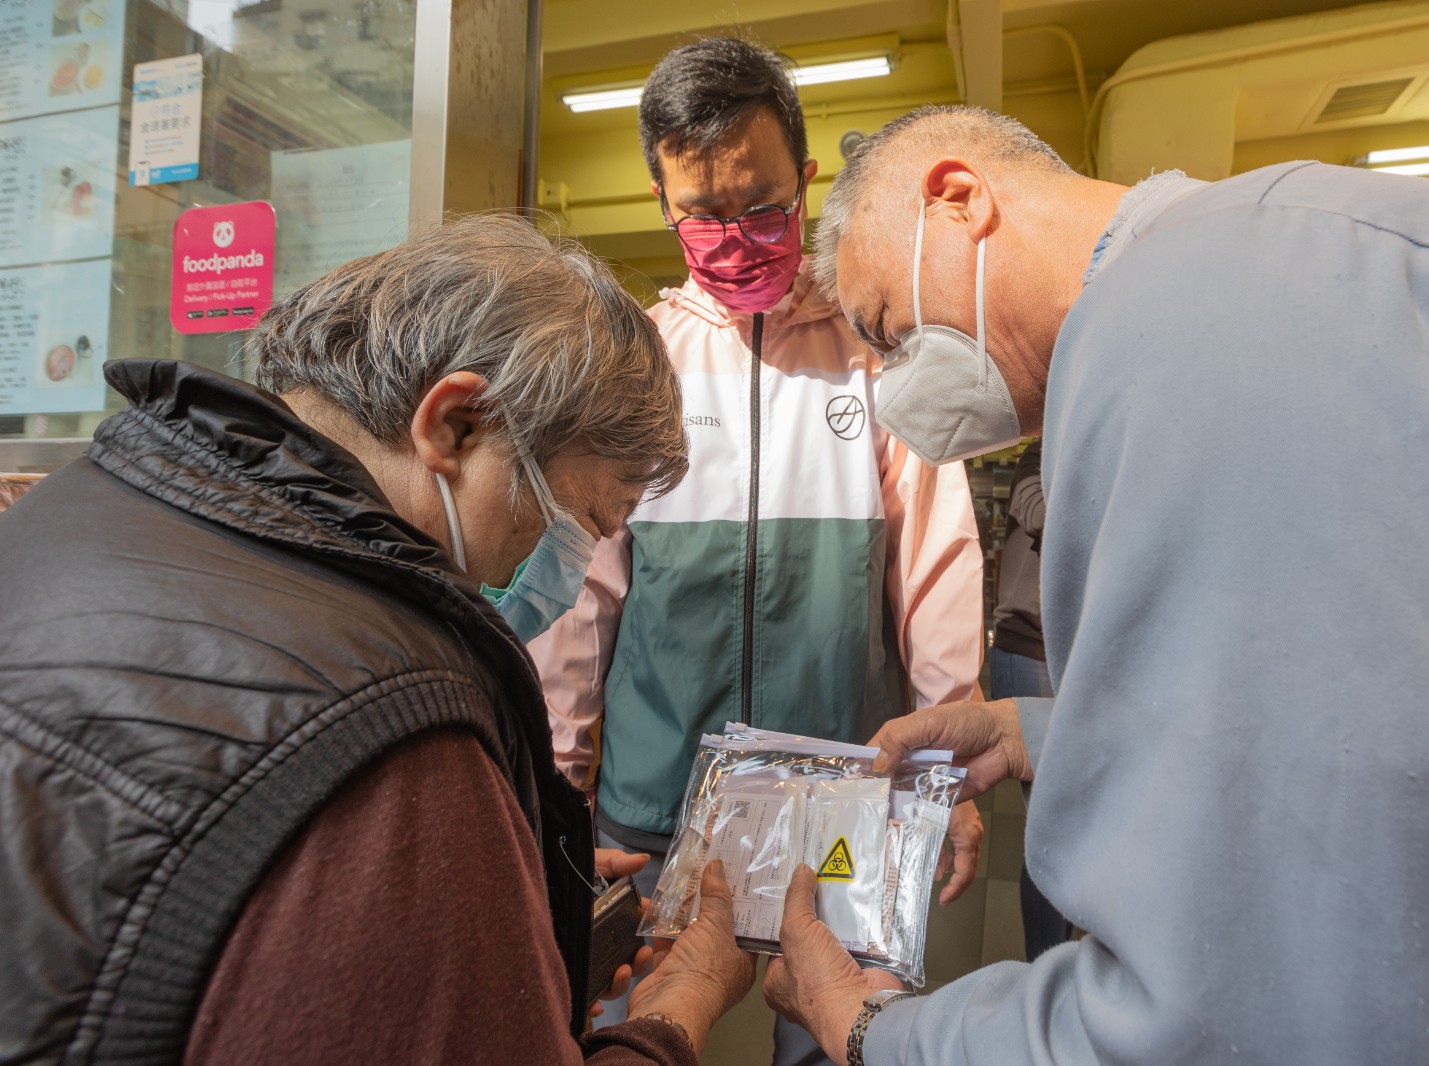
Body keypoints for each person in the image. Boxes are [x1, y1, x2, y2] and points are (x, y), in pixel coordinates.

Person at [761, 104, 1429, 1064]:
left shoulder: (1191, 327)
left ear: (959, 200)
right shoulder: (1291, 251)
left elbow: (1237, 1005)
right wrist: (1037, 731)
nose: (897, 385)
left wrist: (874, 1030)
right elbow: (1393, 714)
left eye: (890, 331)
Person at [0, 216, 755, 1065]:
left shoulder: (71, 510)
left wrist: (498, 900)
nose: (573, 569)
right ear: (457, 424)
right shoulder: (401, 733)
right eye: (577, 520)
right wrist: (674, 1014)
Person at [529, 40, 987, 1063]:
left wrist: (943, 776)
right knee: (639, 1027)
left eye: (762, 208)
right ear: (659, 197)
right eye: (703, 214)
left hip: (841, 795)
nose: (735, 239)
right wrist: (558, 790)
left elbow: (939, 566)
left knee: (832, 1039)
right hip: (652, 803)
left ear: (806, 180)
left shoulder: (876, 355)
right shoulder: (635, 364)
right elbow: (579, 598)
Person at [987, 439, 1073, 959]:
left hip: (1080, 655)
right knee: (1055, 827)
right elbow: (1035, 508)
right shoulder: (1042, 451)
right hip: (1028, 649)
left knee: (1078, 824)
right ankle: (1048, 968)